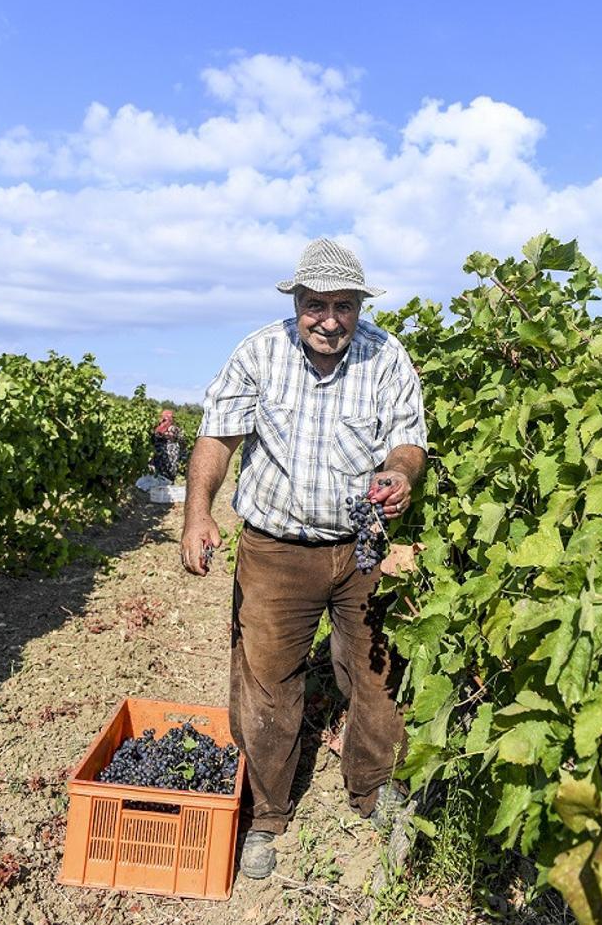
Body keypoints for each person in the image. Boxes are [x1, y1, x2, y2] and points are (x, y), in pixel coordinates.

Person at [180, 238, 427, 880]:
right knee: (266, 678)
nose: (329, 319)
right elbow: (217, 436)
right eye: (316, 304)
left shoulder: (386, 355)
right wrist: (198, 513)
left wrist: (401, 473)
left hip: (363, 543)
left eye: (343, 306)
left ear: (358, 306)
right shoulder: (260, 353)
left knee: (375, 672)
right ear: (296, 302)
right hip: (275, 550)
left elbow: (408, 441)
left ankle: (374, 788)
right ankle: (265, 813)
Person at [151, 409, 185, 482]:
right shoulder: (158, 428)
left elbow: (181, 440)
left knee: (167, 473)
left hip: (169, 456)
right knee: (162, 474)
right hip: (161, 456)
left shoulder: (174, 429)